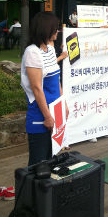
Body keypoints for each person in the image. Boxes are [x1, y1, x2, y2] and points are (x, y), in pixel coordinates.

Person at [21, 12, 68, 165]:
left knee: (51, 160)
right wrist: (47, 116)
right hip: (41, 115)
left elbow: (57, 80)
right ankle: (30, 190)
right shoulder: (32, 52)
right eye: (55, 28)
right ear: (45, 29)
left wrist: (63, 105)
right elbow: (37, 88)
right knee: (38, 164)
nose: (57, 32)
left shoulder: (49, 48)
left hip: (54, 112)